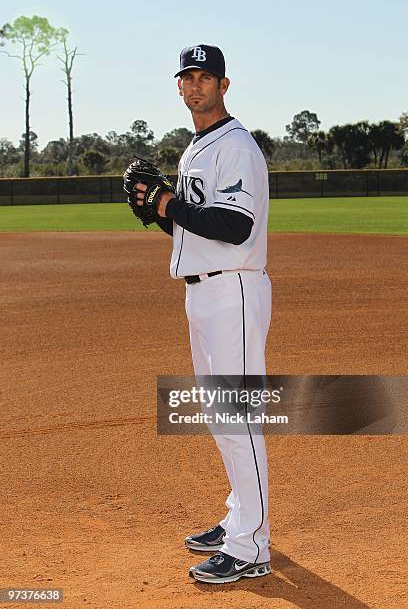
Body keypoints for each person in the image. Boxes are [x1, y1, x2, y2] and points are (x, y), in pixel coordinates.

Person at [134, 44, 272, 584]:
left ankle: (252, 545)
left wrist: (168, 203)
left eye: (205, 77)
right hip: (204, 291)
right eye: (187, 78)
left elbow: (236, 226)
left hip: (234, 292)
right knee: (221, 416)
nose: (195, 86)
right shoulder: (196, 148)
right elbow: (198, 226)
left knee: (238, 418)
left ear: (224, 84)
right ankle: (241, 517)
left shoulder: (236, 146)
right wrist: (156, 212)